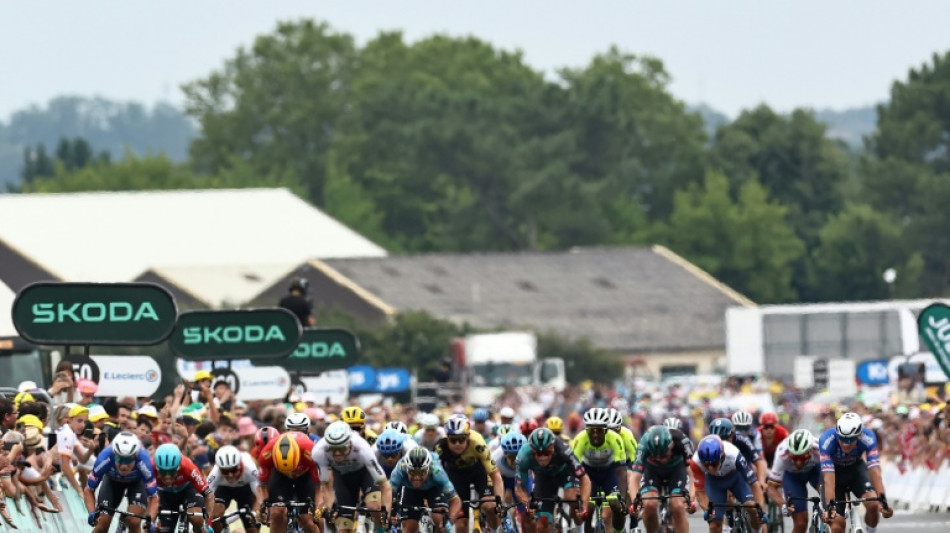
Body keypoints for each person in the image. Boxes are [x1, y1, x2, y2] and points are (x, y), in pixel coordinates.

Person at [819, 412, 892, 533]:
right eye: (842, 439)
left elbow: (875, 471)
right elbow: (828, 477)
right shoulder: (826, 440)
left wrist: (882, 501)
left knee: (873, 504)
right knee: (837, 525)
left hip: (856, 470)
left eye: (850, 440)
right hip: (835, 474)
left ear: (859, 436)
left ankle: (871, 531)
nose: (845, 444)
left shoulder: (868, 437)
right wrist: (830, 506)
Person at [313, 421, 391, 533]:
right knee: (343, 528)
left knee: (374, 507)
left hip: (364, 474)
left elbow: (385, 485)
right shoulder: (319, 451)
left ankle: (382, 530)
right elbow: (326, 486)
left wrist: (386, 513)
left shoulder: (362, 448)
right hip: (342, 478)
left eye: (341, 448)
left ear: (349, 444)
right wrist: (331, 508)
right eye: (334, 449)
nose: (338, 453)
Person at [435, 416, 504, 533]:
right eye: (453, 440)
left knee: (490, 506)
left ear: (468, 437)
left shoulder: (478, 443)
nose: (457, 444)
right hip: (456, 476)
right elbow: (435, 475)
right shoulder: (440, 447)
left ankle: (494, 530)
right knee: (461, 525)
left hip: (478, 472)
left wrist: (500, 503)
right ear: (447, 439)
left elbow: (496, 476)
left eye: (461, 439)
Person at [514, 428, 590, 533]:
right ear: (532, 450)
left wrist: (584, 506)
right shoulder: (523, 456)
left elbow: (585, 479)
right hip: (544, 478)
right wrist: (528, 504)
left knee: (571, 497)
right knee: (542, 526)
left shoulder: (563, 450)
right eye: (538, 454)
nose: (543, 458)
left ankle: (577, 520)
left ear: (553, 447)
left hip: (565, 473)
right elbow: (518, 488)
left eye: (547, 453)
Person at [85, 431, 158, 533]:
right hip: (112, 482)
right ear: (114, 455)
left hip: (136, 483)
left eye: (128, 460)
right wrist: (92, 513)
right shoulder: (105, 457)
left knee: (134, 521)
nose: (124, 466)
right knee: (101, 525)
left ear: (136, 456)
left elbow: (154, 497)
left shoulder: (144, 461)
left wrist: (151, 521)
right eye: (120, 459)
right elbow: (89, 489)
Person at [690, 435, 766, 533]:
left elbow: (754, 484)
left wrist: (760, 509)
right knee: (714, 523)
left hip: (736, 478)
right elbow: (700, 492)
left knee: (751, 507)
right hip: (714, 483)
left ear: (722, 457)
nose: (710, 468)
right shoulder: (695, 462)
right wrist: (708, 510)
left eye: (713, 464)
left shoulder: (734, 454)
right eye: (706, 464)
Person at [571, 408, 629, 533]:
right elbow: (573, 470)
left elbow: (621, 471)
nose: (595, 434)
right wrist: (577, 497)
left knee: (616, 505)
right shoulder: (580, 439)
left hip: (609, 473)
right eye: (592, 430)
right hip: (588, 474)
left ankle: (618, 530)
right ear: (587, 430)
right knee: (588, 507)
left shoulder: (615, 439)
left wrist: (623, 499)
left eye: (599, 431)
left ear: (606, 430)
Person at [630, 425, 696, 533]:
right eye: (657, 457)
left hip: (676, 469)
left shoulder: (681, 440)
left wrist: (691, 500)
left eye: (664, 455)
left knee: (678, 506)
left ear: (671, 445)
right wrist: (635, 502)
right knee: (649, 504)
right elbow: (634, 477)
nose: (661, 460)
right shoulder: (644, 444)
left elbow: (693, 474)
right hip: (652, 470)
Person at [390, 446, 462, 533]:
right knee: (409, 528)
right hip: (411, 490)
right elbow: (389, 494)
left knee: (441, 523)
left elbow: (456, 501)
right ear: (407, 469)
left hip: (434, 488)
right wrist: (391, 513)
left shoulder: (437, 472)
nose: (417, 477)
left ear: (428, 469)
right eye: (412, 472)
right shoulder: (399, 470)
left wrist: (450, 521)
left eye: (421, 472)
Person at [765, 429, 821, 533]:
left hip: (815, 471)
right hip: (793, 477)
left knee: (828, 498)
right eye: (794, 458)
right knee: (800, 523)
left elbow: (832, 476)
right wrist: (783, 506)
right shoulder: (782, 453)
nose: (799, 463)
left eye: (803, 458)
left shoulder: (819, 448)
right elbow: (771, 488)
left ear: (811, 450)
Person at [154, 443, 215, 533]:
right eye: (163, 472)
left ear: (178, 467)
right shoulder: (151, 467)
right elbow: (148, 496)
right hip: (166, 493)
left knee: (197, 519)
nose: (167, 477)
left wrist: (207, 523)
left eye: (171, 472)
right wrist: (150, 522)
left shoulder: (188, 467)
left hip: (188, 490)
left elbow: (209, 495)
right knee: (163, 530)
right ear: (157, 468)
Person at [208, 445, 261, 533]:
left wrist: (256, 511)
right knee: (215, 515)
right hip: (224, 489)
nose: (230, 475)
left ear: (239, 465)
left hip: (245, 489)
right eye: (225, 471)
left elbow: (259, 495)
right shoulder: (215, 473)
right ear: (220, 468)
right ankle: (221, 526)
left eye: (233, 470)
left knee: (252, 527)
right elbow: (207, 496)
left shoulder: (250, 468)